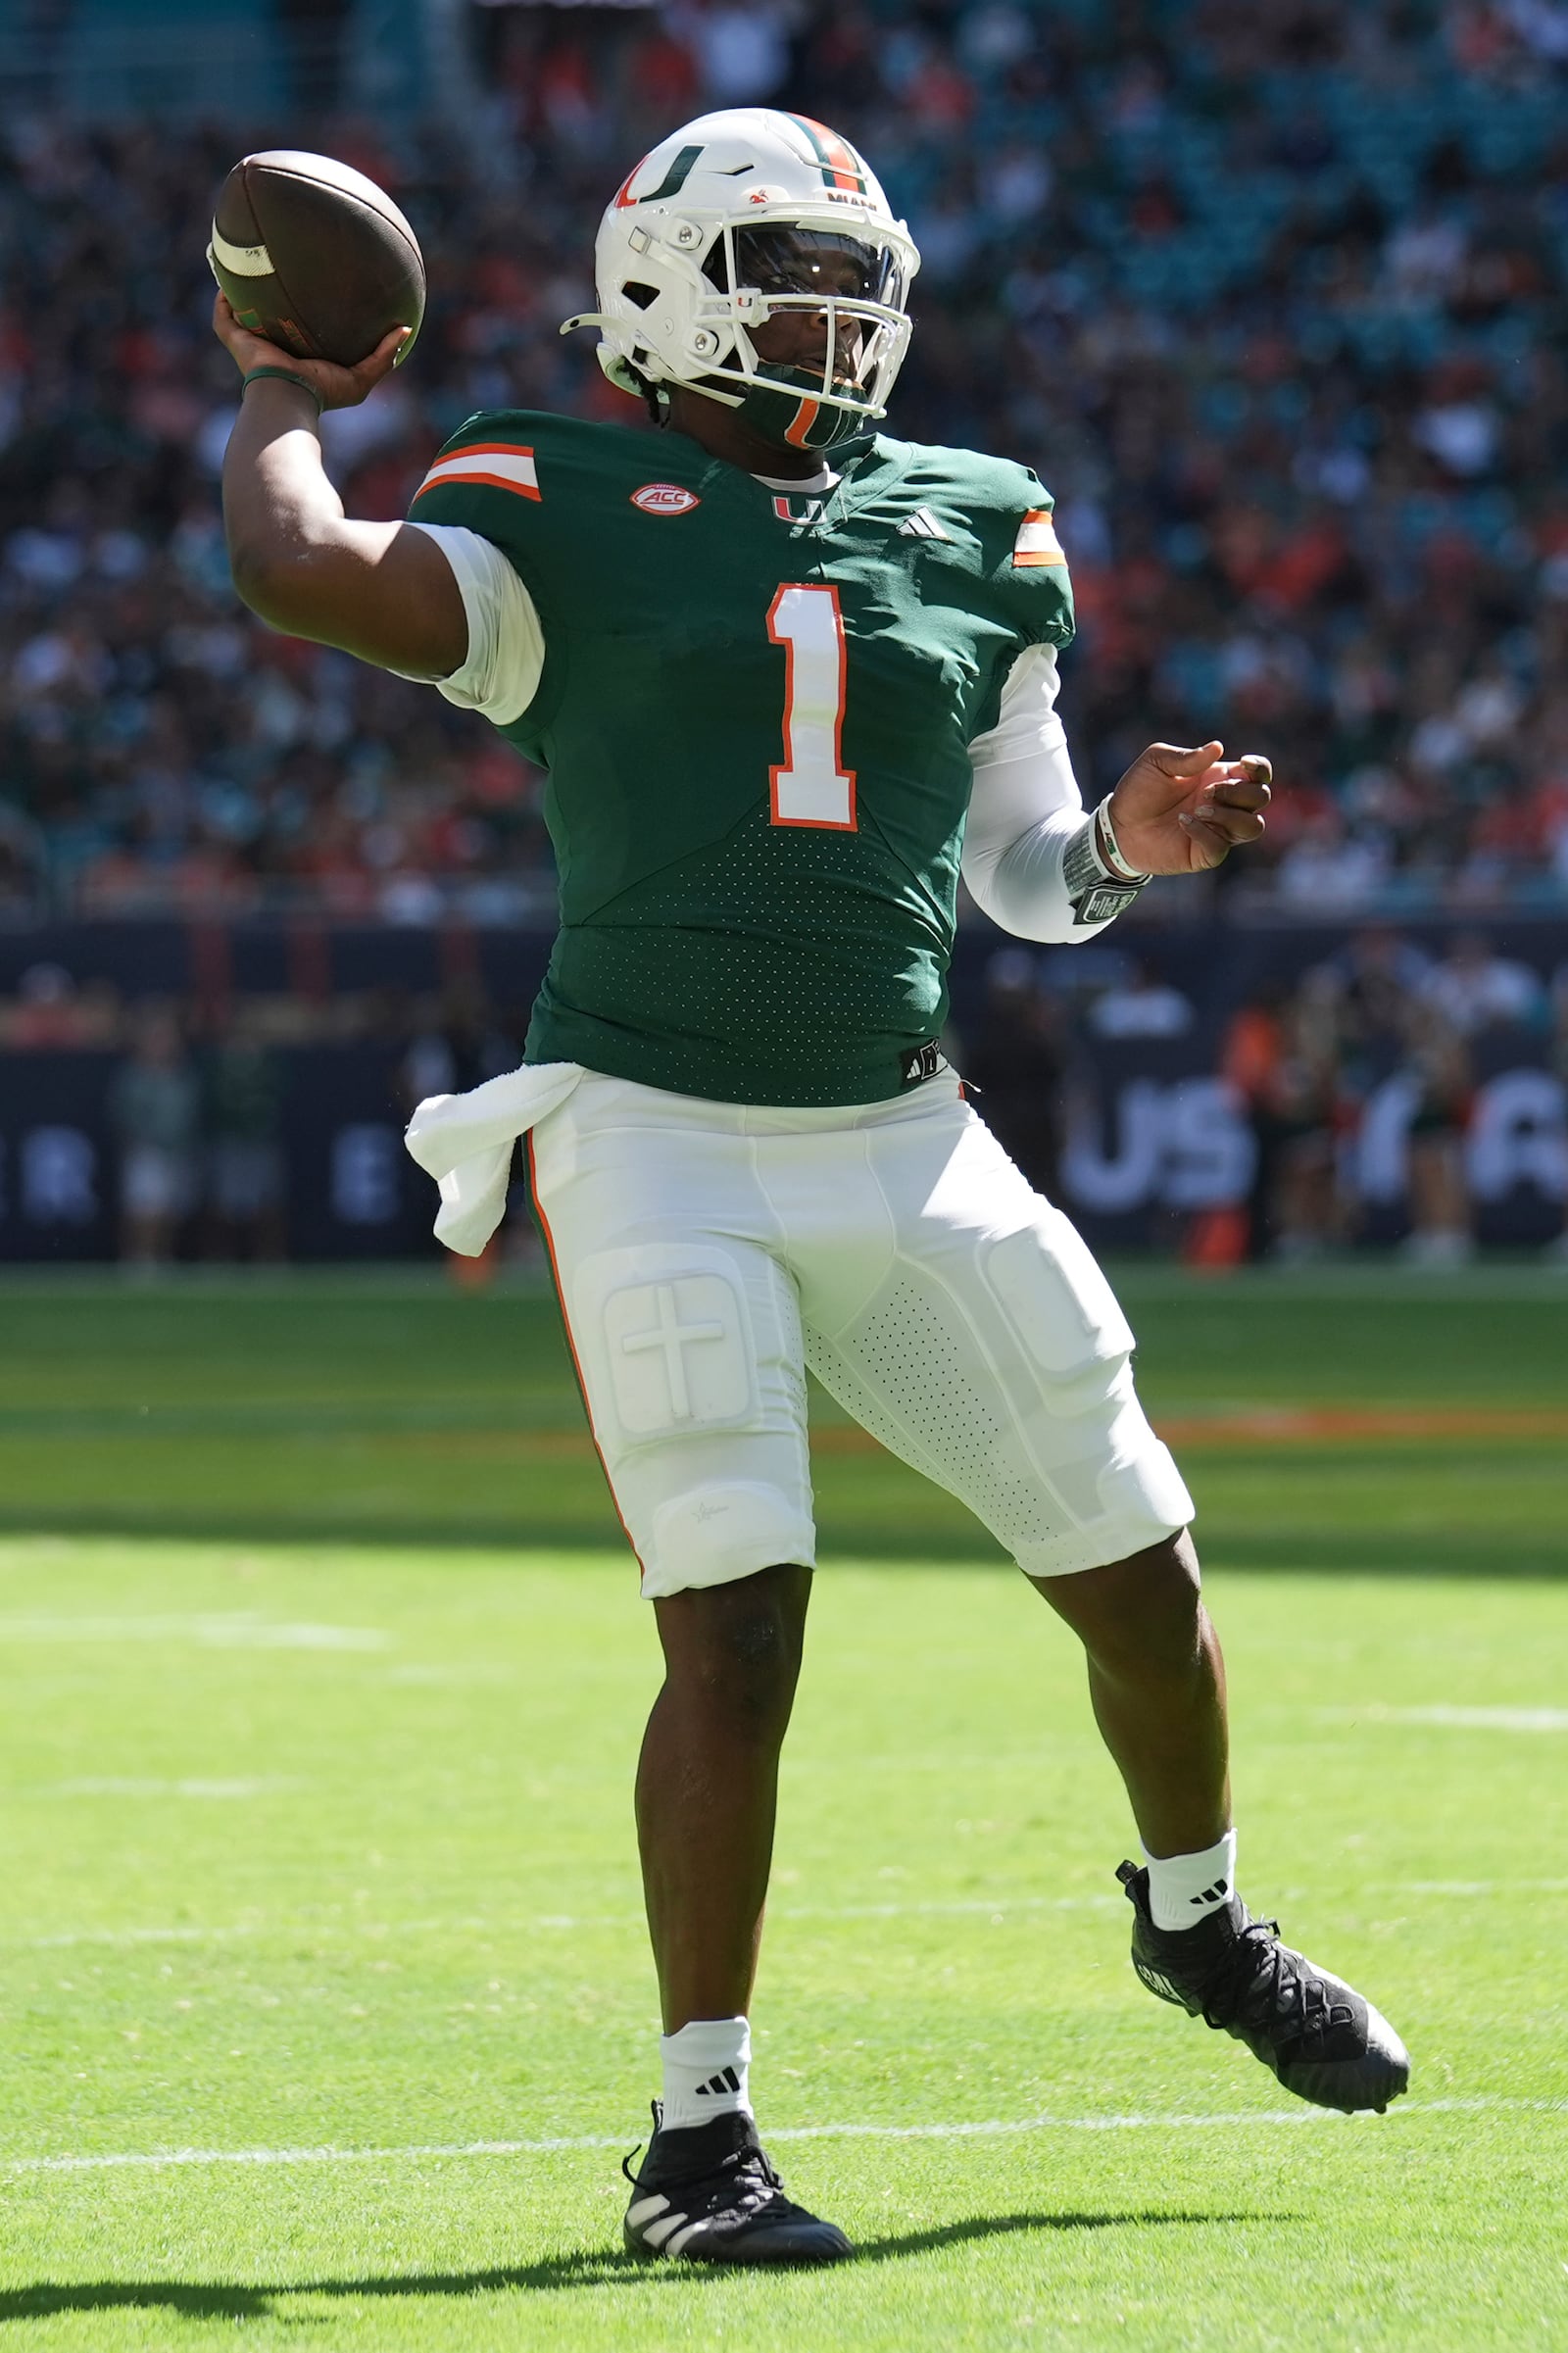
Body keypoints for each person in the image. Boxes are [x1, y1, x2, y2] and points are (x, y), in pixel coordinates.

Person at [214, 106, 1407, 2268]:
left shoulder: (980, 520)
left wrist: (1133, 844)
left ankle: (1198, 1924)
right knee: (738, 1624)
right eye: (787, 274)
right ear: (660, 282)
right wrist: (280, 403)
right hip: (651, 1122)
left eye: (858, 284)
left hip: (899, 1120)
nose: (834, 320)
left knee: (1137, 1567)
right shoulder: (548, 488)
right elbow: (304, 573)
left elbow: (1028, 879)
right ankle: (698, 2144)